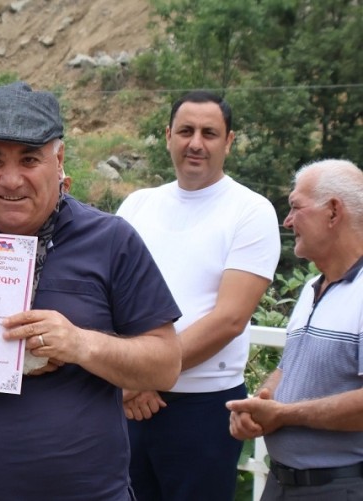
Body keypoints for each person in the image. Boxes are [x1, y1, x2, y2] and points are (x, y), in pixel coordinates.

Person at [0, 81, 182, 500]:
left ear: (58, 160)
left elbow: (165, 365)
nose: (11, 180)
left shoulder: (110, 240)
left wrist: (80, 344)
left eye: (29, 159)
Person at [116, 90, 281, 500]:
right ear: (168, 135)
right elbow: (107, 298)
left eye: (209, 133)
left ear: (229, 141)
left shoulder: (251, 210)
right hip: (128, 403)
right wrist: (129, 378)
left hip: (202, 408)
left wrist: (147, 373)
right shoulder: (137, 205)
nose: (196, 143)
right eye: (186, 131)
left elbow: (229, 319)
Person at [226, 159, 363, 500]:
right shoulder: (312, 288)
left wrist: (284, 415)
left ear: (333, 212)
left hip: (340, 487)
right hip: (284, 483)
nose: (287, 221)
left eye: (295, 207)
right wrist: (260, 404)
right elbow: (289, 368)